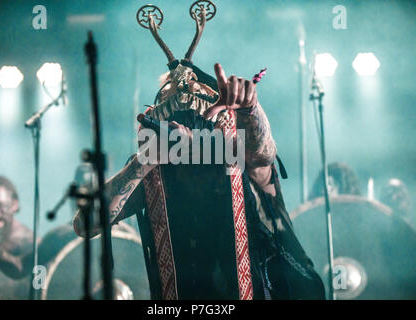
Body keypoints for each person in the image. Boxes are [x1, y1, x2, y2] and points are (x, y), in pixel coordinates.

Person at [74, 3, 325, 300]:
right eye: (174, 115)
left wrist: (249, 108)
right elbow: (85, 225)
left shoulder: (235, 149)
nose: (184, 123)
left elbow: (262, 153)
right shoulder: (154, 167)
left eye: (194, 112)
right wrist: (141, 164)